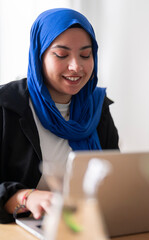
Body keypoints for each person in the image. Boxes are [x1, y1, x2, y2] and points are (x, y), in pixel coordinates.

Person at [0, 8, 119, 223]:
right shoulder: (5, 105)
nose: (76, 67)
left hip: (87, 225)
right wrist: (24, 197)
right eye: (61, 55)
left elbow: (116, 177)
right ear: (39, 55)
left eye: (85, 55)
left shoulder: (97, 108)